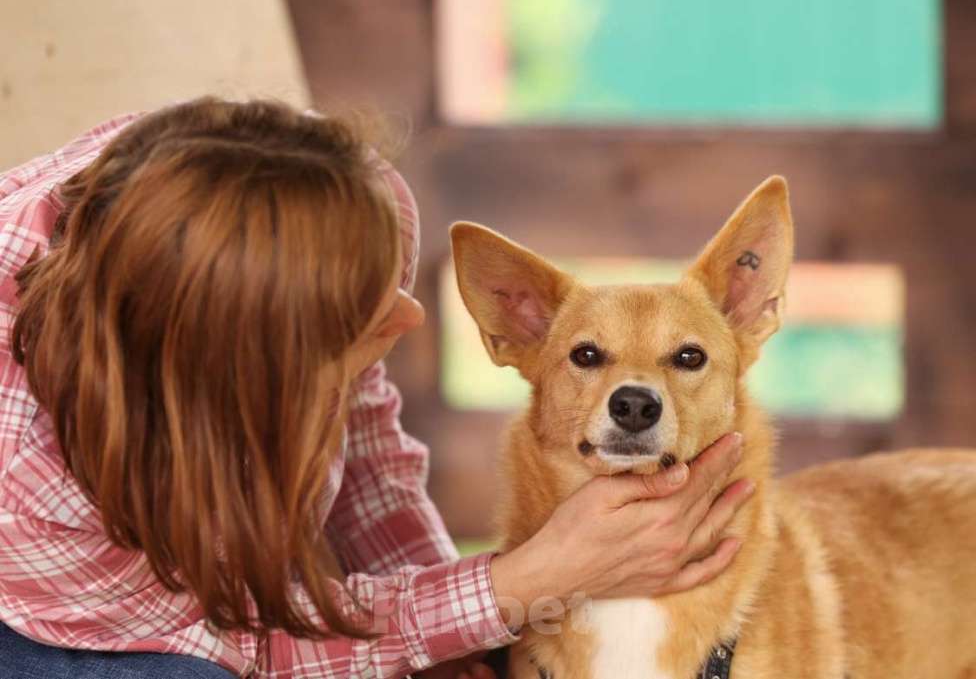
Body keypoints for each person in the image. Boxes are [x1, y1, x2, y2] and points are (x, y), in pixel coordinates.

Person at [0, 97, 751, 678]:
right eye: (355, 322)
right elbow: (252, 645)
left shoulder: (332, 194)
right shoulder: (32, 481)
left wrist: (455, 648)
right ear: (247, 371)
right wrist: (523, 582)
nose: (412, 315)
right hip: (41, 605)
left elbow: (364, 445)